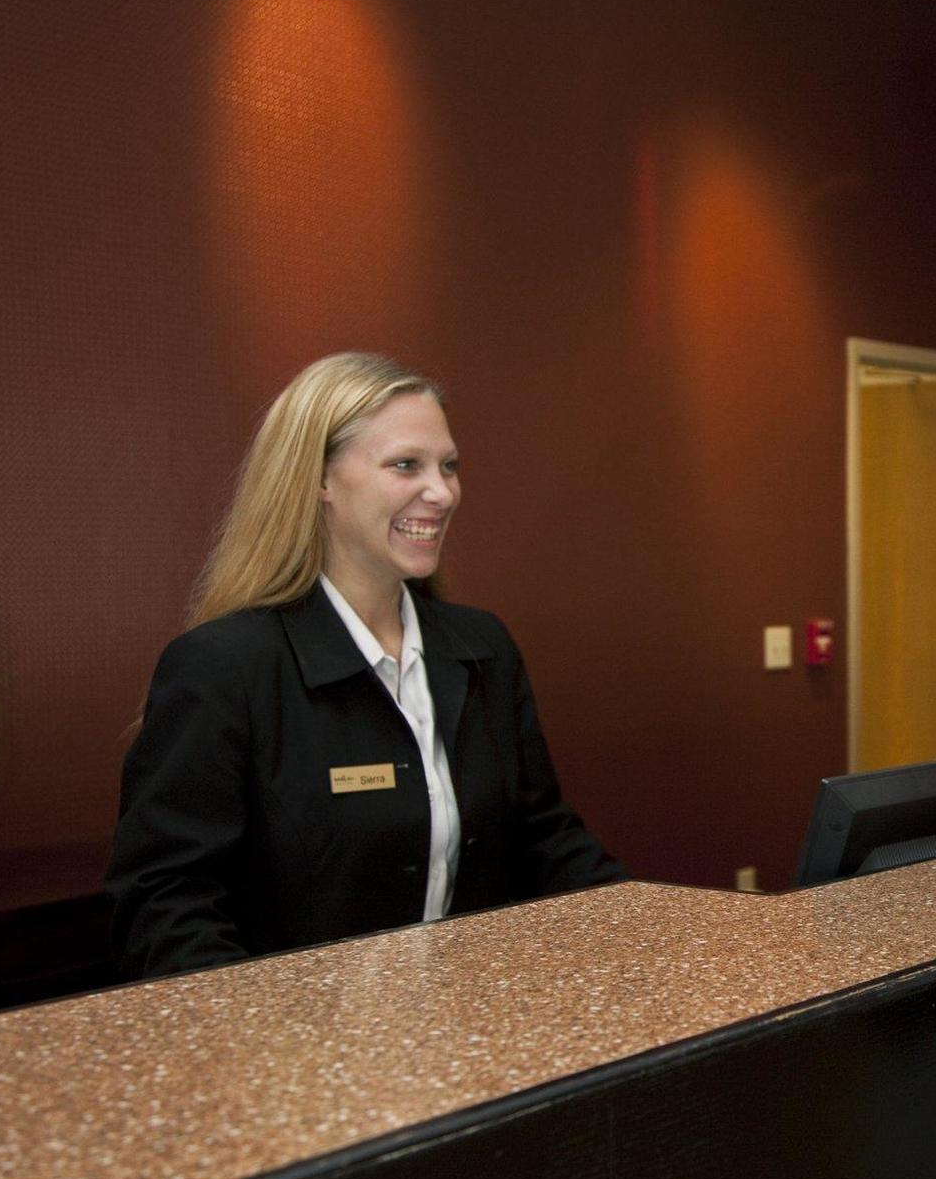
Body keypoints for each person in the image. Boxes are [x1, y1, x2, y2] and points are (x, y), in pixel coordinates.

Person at [107, 351, 624, 979]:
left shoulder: (482, 647)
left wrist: (650, 935)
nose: (442, 492)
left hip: (476, 1035)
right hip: (294, 1055)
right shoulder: (223, 667)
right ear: (318, 479)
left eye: (449, 466)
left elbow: (545, 840)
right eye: (407, 465)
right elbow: (165, 904)